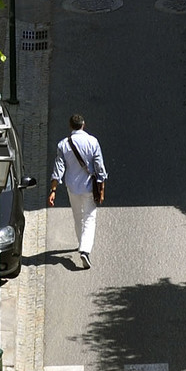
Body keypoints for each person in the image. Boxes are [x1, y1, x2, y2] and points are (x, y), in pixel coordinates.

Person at [49, 113, 106, 268]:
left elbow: (58, 169)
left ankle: (82, 243)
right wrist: (101, 189)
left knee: (77, 216)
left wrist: (53, 190)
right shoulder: (92, 141)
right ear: (83, 125)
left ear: (70, 126)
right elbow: (100, 167)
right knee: (89, 218)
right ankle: (85, 251)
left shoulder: (63, 145)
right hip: (89, 187)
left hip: (72, 187)